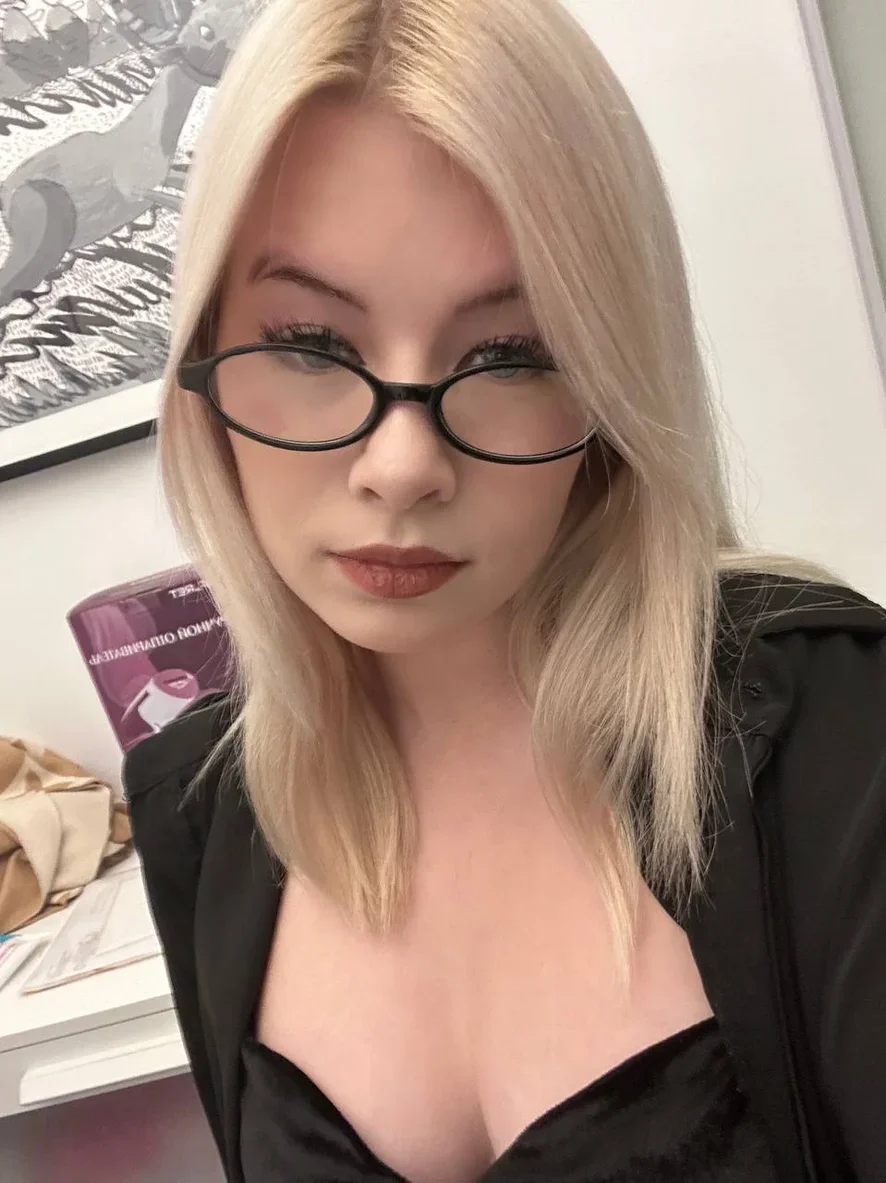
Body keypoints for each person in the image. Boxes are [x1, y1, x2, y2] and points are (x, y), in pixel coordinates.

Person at [123, 1, 886, 1181]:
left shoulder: (832, 730)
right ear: (205, 348)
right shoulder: (197, 804)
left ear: (608, 382)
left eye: (510, 355)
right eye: (313, 345)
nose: (403, 466)